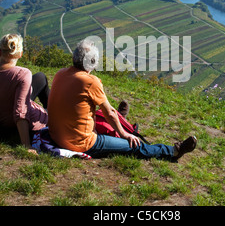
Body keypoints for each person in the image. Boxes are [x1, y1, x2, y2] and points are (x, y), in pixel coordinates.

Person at [47, 39, 197, 162]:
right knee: (133, 145)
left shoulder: (60, 74)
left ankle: (122, 120)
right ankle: (173, 151)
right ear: (93, 62)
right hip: (81, 143)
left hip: (57, 137)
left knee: (99, 114)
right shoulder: (90, 81)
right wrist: (126, 135)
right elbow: (110, 113)